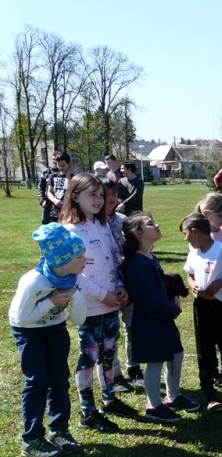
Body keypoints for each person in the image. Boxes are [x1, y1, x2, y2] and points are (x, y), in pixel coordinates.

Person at [60, 174, 133, 432]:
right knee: (88, 358)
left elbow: (115, 258)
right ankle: (87, 412)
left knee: (108, 354)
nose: (99, 200)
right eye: (92, 194)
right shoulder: (69, 230)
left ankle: (109, 399)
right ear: (75, 196)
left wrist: (120, 286)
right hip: (90, 307)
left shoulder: (103, 226)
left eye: (101, 195)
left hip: (112, 302)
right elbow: (72, 275)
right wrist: (102, 295)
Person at [9, 224, 88, 457]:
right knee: (36, 383)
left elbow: (78, 320)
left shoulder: (74, 278)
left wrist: (77, 300)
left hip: (55, 329)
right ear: (61, 260)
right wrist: (52, 301)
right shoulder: (34, 282)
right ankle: (31, 439)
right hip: (29, 332)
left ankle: (59, 431)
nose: (85, 259)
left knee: (59, 380)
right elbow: (21, 318)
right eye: (79, 256)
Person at [121, 212, 200, 422]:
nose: (156, 225)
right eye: (149, 224)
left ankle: (172, 397)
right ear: (138, 233)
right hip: (149, 321)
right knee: (155, 362)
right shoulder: (138, 264)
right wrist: (173, 309)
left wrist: (172, 293)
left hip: (162, 318)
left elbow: (161, 285)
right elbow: (150, 299)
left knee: (176, 355)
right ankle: (153, 406)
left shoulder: (150, 257)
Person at [181, 213, 222, 411]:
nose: (185, 239)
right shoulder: (194, 251)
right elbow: (190, 275)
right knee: (204, 349)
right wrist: (193, 286)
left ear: (195, 232)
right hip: (201, 307)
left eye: (185, 234)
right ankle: (208, 391)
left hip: (221, 306)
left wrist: (219, 284)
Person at [100, 178, 135, 394]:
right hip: (106, 285)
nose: (111, 199)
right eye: (105, 195)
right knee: (110, 333)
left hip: (128, 282)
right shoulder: (94, 223)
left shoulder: (123, 220)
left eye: (113, 194)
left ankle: (134, 367)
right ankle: (116, 373)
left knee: (132, 325)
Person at [46, 152, 73, 222]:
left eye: (63, 165)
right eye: (59, 165)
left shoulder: (73, 177)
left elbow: (68, 187)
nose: (60, 168)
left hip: (68, 212)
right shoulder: (53, 176)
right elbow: (49, 192)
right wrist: (55, 201)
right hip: (54, 213)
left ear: (69, 164)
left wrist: (68, 174)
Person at [38, 156, 58, 224]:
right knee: (46, 224)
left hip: (58, 204)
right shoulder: (46, 172)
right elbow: (41, 187)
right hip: (47, 204)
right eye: (53, 159)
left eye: (56, 159)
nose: (54, 161)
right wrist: (42, 201)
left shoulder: (63, 172)